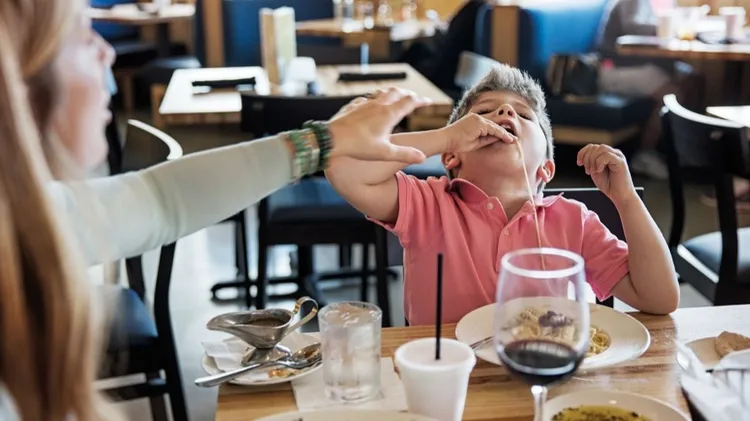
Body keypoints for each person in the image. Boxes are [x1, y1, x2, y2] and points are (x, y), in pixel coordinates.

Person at [0, 0, 503, 417]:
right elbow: (159, 200)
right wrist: (325, 143)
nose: (106, 51)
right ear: (18, 78)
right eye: (81, 32)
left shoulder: (29, 221)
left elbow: (160, 199)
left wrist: (320, 142)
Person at [325, 64, 680, 325]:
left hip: (545, 377)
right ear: (452, 157)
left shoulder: (575, 222)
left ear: (545, 169)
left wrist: (627, 199)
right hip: (453, 383)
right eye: (483, 113)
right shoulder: (429, 204)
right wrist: (443, 137)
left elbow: (660, 298)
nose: (504, 112)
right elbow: (342, 165)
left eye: (523, 114)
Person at [596, 0, 703, 180]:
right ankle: (645, 154)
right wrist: (673, 27)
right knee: (670, 93)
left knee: (693, 79)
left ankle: (683, 149)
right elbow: (632, 26)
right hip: (616, 68)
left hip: (646, 64)